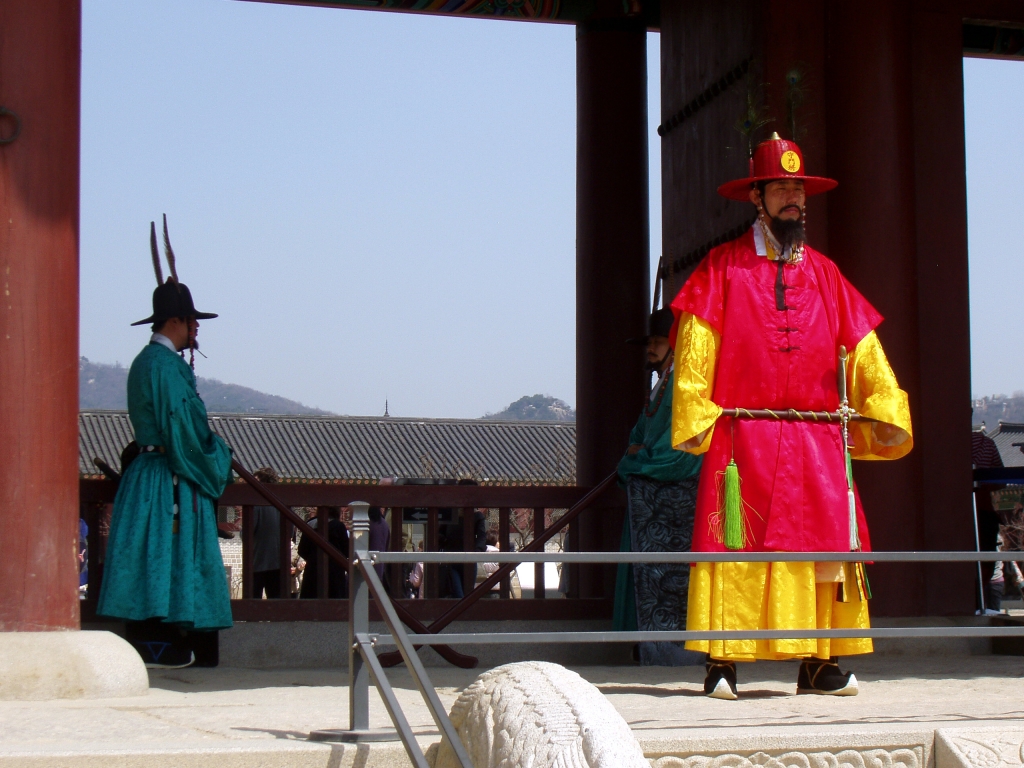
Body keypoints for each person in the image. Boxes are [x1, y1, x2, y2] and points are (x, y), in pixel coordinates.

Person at [670, 134, 913, 699]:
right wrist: (696, 408)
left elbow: (862, 344)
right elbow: (697, 342)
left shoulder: (826, 274)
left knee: (820, 547)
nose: (792, 199)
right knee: (736, 544)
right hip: (743, 434)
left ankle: (820, 661)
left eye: (798, 190)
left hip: (815, 437)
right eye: (780, 189)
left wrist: (883, 403)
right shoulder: (722, 268)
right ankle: (723, 661)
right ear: (756, 196)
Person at [97, 216, 233, 669]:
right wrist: (218, 457)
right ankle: (164, 644)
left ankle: (157, 641)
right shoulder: (163, 365)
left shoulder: (150, 362)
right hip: (168, 476)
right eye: (192, 321)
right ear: (176, 321)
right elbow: (183, 431)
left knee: (150, 554)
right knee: (169, 554)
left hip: (151, 474)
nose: (197, 329)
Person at [613, 305, 704, 666]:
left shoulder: (685, 384)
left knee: (671, 580)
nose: (650, 348)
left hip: (675, 499)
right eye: (649, 341)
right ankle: (645, 646)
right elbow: (637, 436)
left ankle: (673, 651)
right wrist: (635, 455)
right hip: (649, 499)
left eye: (657, 341)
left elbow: (678, 452)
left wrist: (637, 461)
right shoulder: (661, 385)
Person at [972, 426, 1004, 612]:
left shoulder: (951, 444)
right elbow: (1000, 481)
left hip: (960, 512)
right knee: (986, 561)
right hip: (984, 510)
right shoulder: (987, 444)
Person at [298, 507, 349, 598]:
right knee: (335, 602)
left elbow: (302, 550)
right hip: (335, 573)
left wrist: (313, 558)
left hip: (313, 571)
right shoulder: (338, 526)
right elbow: (346, 551)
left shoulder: (310, 524)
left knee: (311, 601)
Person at [251, 467, 283, 599]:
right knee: (276, 601)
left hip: (258, 561)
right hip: (279, 562)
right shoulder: (284, 504)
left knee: (253, 602)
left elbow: (247, 532)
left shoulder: (256, 504)